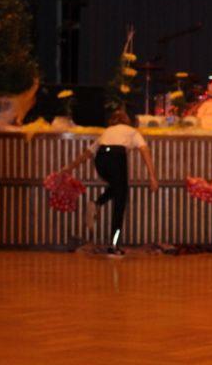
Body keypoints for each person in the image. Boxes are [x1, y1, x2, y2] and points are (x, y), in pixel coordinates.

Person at [61, 108, 159, 257]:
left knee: (117, 187)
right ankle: (113, 246)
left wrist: (69, 167)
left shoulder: (107, 131)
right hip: (116, 157)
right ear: (127, 121)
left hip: (101, 160)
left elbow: (87, 153)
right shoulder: (132, 131)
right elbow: (144, 150)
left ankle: (97, 203)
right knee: (119, 202)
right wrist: (152, 176)